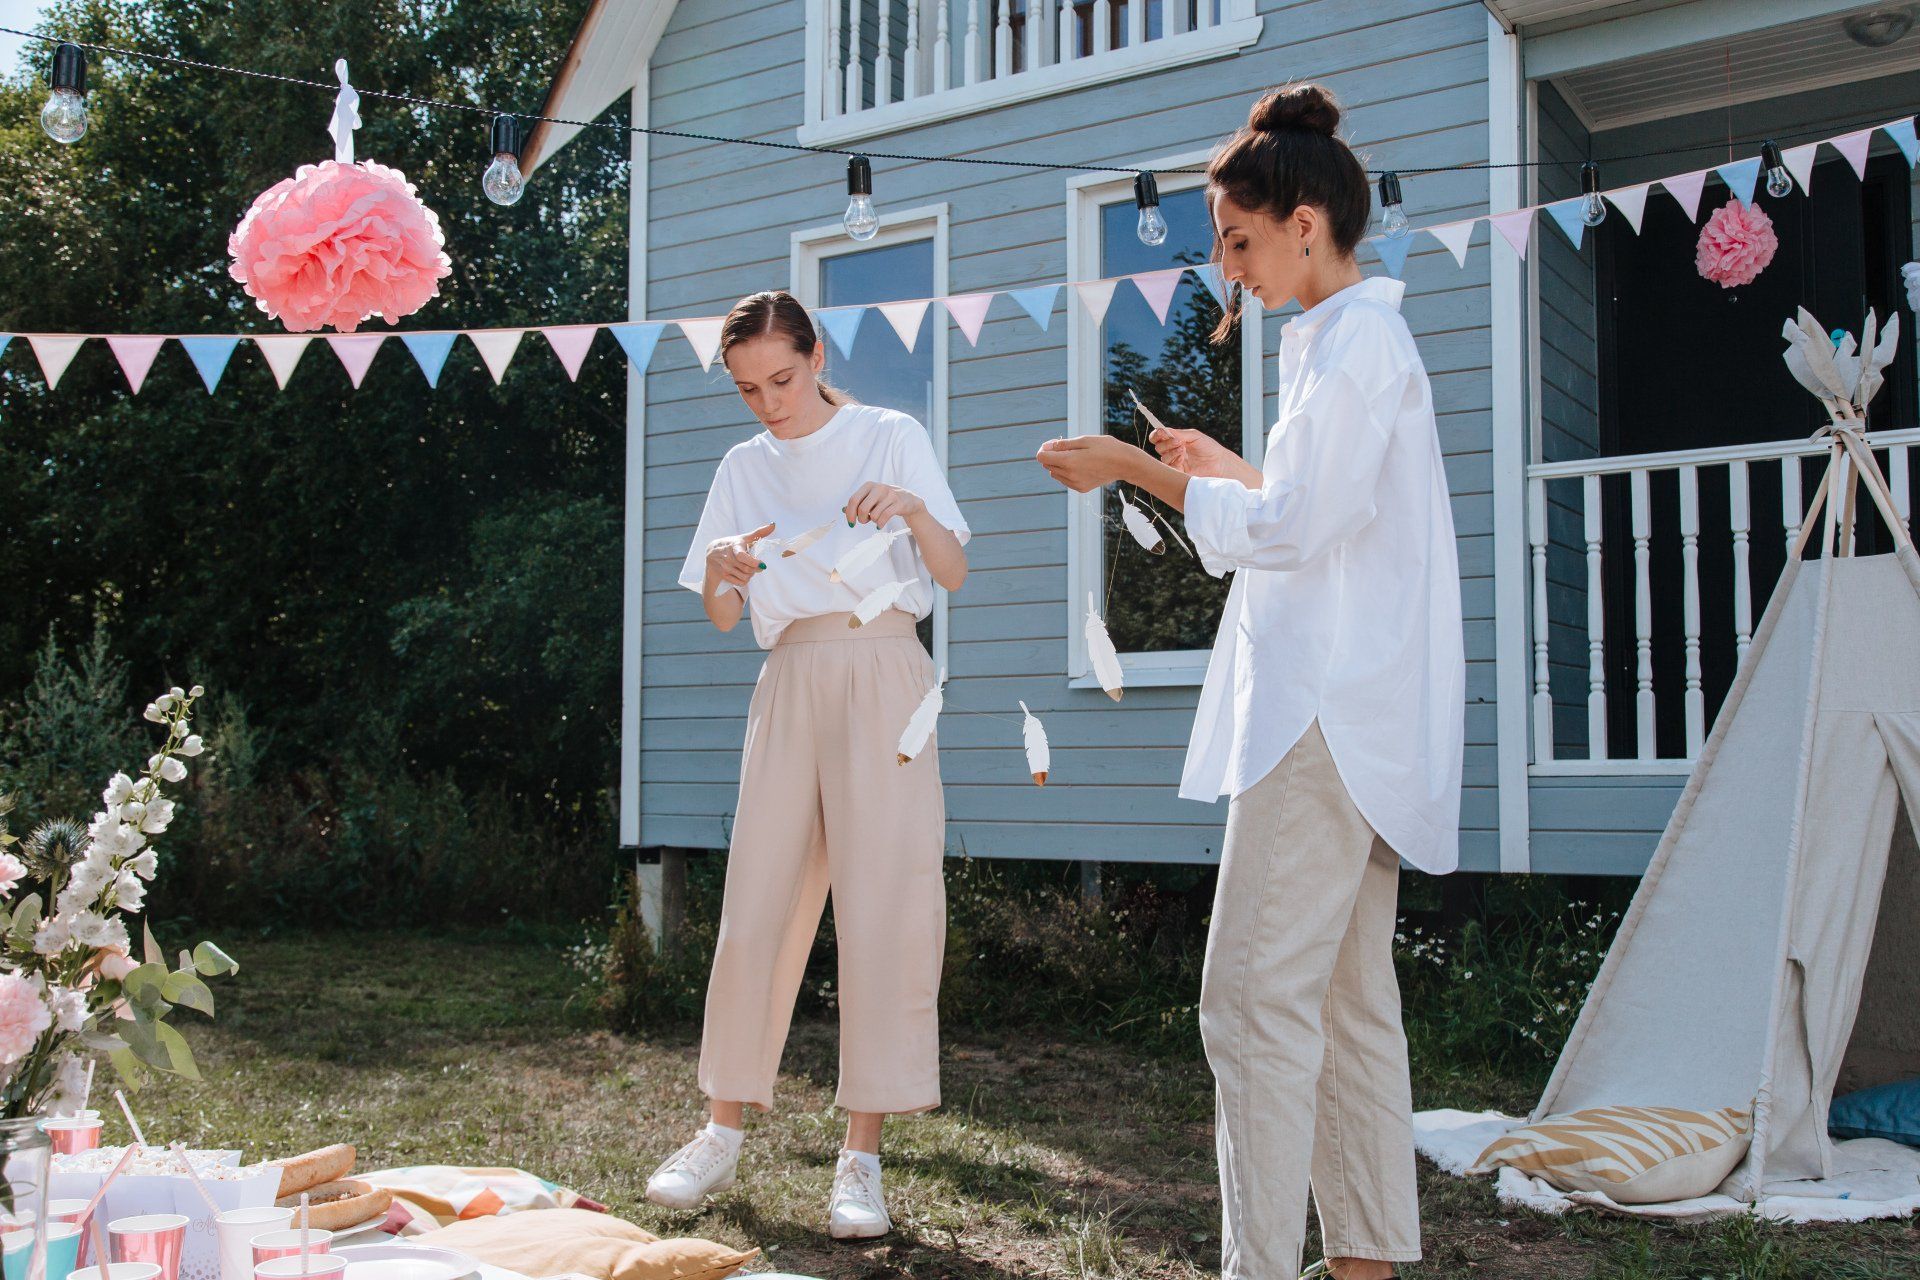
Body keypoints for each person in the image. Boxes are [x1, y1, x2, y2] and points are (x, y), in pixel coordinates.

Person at [1034, 84, 1464, 1280]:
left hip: (1325, 718)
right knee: (1339, 1004)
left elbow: (1292, 526)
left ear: (1307, 222)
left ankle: (1262, 1266)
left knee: (1251, 1004)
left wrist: (1134, 468)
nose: (1228, 268)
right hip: (1352, 714)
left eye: (1237, 239)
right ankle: (1368, 1257)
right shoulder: (1343, 342)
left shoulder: (1359, 342)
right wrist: (1225, 466)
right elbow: (1311, 515)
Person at [648, 289, 970, 1241]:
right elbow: (718, 612)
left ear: (816, 354)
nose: (769, 403)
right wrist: (722, 573)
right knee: (758, 905)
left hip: (885, 667)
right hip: (788, 674)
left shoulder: (890, 434)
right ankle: (720, 1129)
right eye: (748, 389)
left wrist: (911, 509)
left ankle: (861, 1157)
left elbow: (950, 573)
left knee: (887, 906)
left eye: (782, 379)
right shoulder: (742, 466)